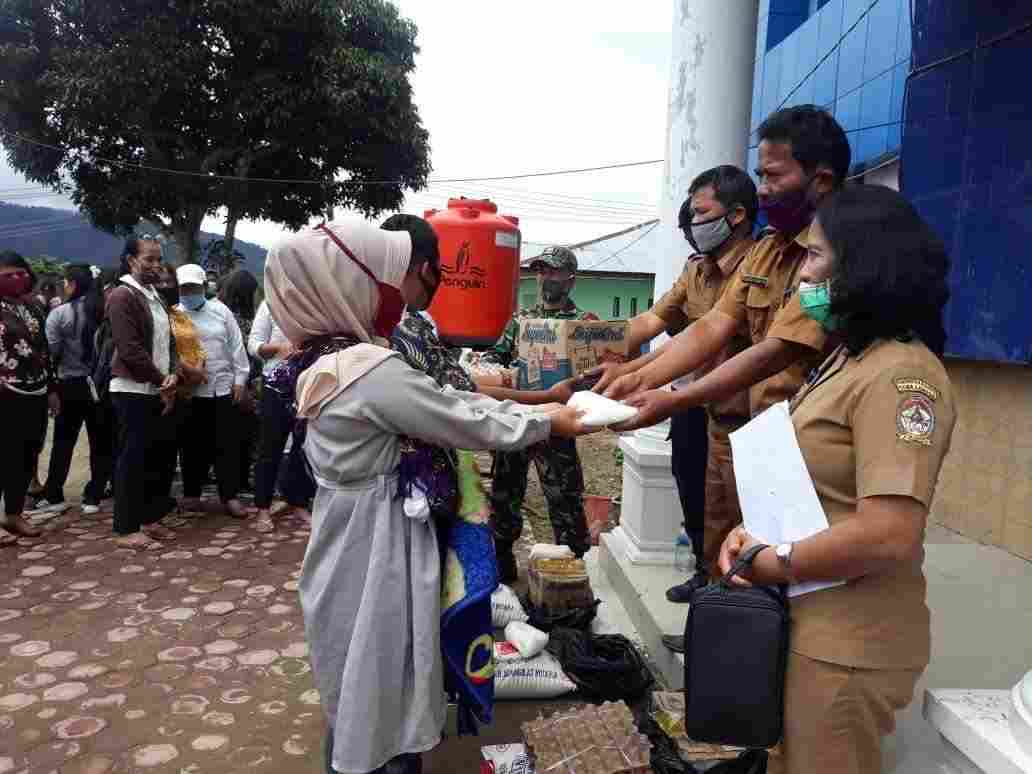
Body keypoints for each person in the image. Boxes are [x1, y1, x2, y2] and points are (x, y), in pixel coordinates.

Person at [262, 219, 589, 774]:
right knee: (387, 667)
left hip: (342, 535)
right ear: (352, 284)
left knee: (356, 671)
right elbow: (460, 415)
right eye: (383, 279)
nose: (395, 293)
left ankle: (352, 757)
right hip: (380, 543)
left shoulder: (318, 357)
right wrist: (549, 419)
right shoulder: (370, 372)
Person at [718, 184, 955, 773]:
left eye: (817, 255)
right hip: (808, 623)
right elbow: (821, 485)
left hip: (849, 641)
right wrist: (750, 536)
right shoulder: (848, 359)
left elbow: (888, 533)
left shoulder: (902, 377)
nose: (802, 272)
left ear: (864, 265)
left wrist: (773, 561)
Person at [596, 105, 850, 437]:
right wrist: (635, 378)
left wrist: (673, 400)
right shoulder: (768, 249)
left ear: (822, 180)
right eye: (760, 175)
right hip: (756, 429)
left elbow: (776, 349)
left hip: (809, 432)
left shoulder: (840, 251)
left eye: (773, 175)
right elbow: (713, 324)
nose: (762, 188)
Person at [618, 167, 758, 603]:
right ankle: (707, 579)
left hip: (744, 412)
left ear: (736, 215)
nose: (695, 225)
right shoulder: (695, 272)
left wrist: (635, 377)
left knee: (741, 512)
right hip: (691, 404)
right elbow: (652, 322)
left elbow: (709, 339)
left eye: (701, 213)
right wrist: (594, 346)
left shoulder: (758, 267)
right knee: (696, 491)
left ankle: (734, 602)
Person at [480, 245, 597, 580]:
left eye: (553, 271)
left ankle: (574, 573)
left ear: (570, 280)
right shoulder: (520, 322)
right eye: (541, 270)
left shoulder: (582, 324)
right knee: (504, 494)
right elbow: (494, 363)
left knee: (565, 501)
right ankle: (502, 569)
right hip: (515, 418)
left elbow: (598, 372)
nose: (545, 277)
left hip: (557, 424)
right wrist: (500, 374)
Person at [107, 237, 180, 549]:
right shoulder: (122, 296)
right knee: (133, 459)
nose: (155, 266)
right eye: (148, 259)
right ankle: (126, 527)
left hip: (157, 387)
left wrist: (172, 376)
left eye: (158, 260)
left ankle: (150, 518)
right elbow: (130, 349)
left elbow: (168, 342)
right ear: (130, 260)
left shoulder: (154, 295)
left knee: (156, 458)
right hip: (133, 389)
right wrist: (162, 379)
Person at [33, 264, 113, 517]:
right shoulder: (104, 311)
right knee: (101, 442)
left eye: (66, 282)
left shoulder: (59, 314)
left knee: (63, 442)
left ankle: (54, 493)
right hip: (100, 385)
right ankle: (94, 495)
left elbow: (51, 353)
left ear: (73, 284)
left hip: (69, 384)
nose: (64, 286)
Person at [174, 264, 251, 518]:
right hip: (189, 392)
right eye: (184, 288)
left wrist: (241, 379)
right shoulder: (174, 315)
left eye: (194, 287)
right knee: (191, 444)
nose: (189, 292)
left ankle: (229, 496)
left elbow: (237, 345)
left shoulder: (221, 311)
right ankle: (192, 494)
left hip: (222, 388)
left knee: (226, 444)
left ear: (204, 287)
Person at [0, 250, 56, 544]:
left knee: (26, 454)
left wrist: (53, 389)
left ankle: (14, 513)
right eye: (8, 274)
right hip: (4, 392)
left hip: (35, 390)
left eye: (21, 273)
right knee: (3, 454)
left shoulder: (33, 306)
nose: (17, 279)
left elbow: (46, 351)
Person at [249, 296, 313, 533]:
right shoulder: (270, 304)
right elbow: (253, 344)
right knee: (270, 447)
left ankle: (298, 502)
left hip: (308, 384)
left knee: (302, 445)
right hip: (275, 383)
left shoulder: (315, 303)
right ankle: (263, 508)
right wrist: (278, 348)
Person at [219, 269, 261, 491]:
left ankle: (235, 479)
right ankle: (239, 480)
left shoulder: (225, 315)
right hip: (240, 384)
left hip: (233, 382)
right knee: (241, 435)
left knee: (236, 435)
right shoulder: (239, 320)